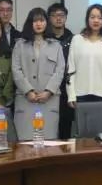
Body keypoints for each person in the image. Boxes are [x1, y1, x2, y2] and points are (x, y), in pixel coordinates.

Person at [12, 8, 65, 140]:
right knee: (25, 142)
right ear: (30, 23)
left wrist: (49, 91)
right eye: (35, 21)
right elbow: (16, 70)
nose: (39, 24)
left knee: (48, 142)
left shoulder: (56, 45)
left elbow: (60, 70)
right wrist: (28, 91)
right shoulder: (20, 45)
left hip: (49, 100)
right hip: (26, 100)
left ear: (47, 23)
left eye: (41, 20)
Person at [66, 5, 102, 107]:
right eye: (92, 17)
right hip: (79, 95)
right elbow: (71, 69)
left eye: (99, 18)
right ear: (87, 19)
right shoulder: (77, 39)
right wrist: (71, 94)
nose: (96, 20)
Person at [48, 3, 74, 138]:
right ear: (49, 18)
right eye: (54, 15)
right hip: (48, 89)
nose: (58, 18)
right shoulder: (44, 39)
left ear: (66, 17)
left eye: (61, 15)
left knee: (65, 129)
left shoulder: (74, 39)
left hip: (66, 90)